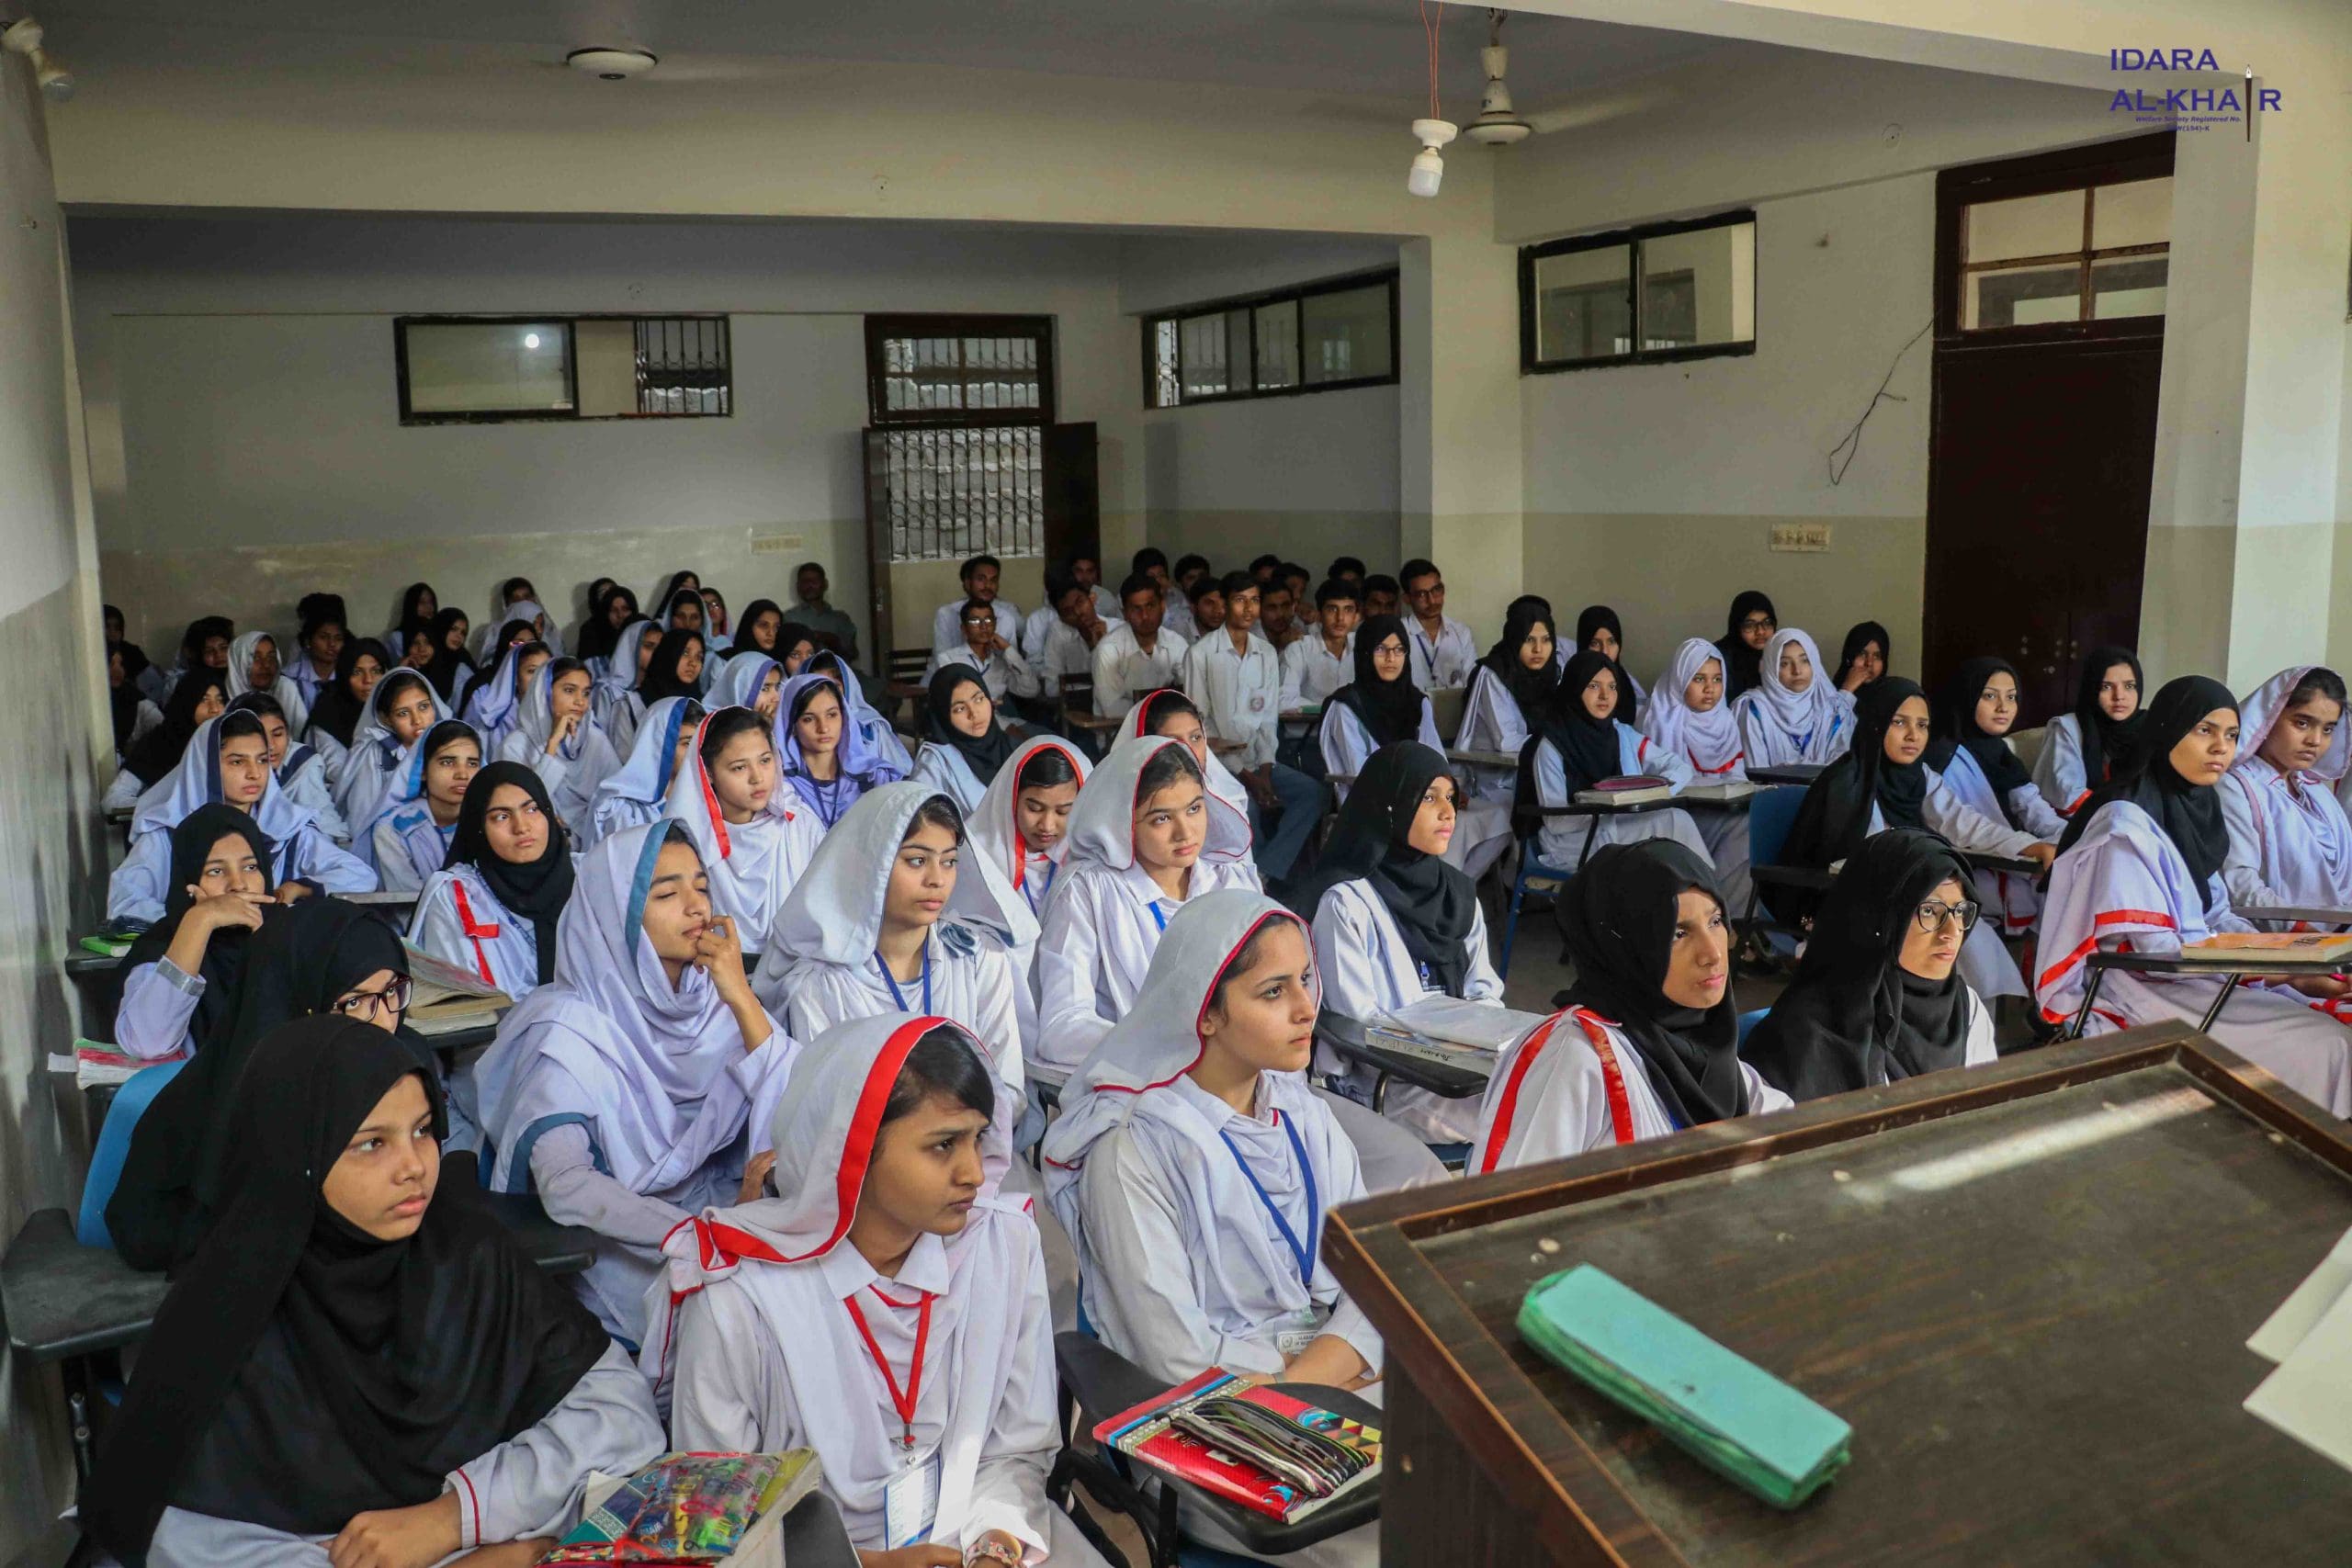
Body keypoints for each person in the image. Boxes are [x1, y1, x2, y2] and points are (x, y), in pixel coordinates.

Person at [83, 1020, 662, 1568]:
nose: (413, 1166)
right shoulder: (228, 1313)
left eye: (422, 1131)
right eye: (370, 1144)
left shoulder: (468, 1256)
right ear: (297, 1155)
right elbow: (173, 1536)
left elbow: (623, 1418)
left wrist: (451, 1520)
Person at [651, 1015, 1099, 1564]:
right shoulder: (739, 1298)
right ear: (855, 1151)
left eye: (978, 1138)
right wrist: (866, 1563)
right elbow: (718, 1521)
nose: (974, 1174)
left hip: (974, 1531)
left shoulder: (1004, 1245)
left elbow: (1015, 1450)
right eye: (942, 1145)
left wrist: (995, 1545)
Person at [1041, 893, 1384, 1566]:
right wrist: (1319, 1382)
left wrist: (1317, 1379)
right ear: (1207, 1011)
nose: (1307, 1007)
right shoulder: (1134, 1151)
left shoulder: (1304, 1114)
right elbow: (1174, 1359)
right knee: (1418, 1521)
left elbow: (1375, 1280)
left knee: (1487, 1457)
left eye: (1306, 980)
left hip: (1327, 1380)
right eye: (1273, 990)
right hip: (1210, 1428)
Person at [474, 823, 799, 1342]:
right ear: (613, 919)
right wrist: (696, 1236)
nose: (696, 907)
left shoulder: (714, 1002)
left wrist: (741, 995)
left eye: (701, 886)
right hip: (626, 1240)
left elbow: (797, 1099)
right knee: (737, 1332)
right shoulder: (567, 1028)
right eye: (667, 893)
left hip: (729, 1212)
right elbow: (567, 1183)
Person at [2040, 676, 2352, 1113]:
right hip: (2143, 985)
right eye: (2204, 730)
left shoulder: (2197, 810)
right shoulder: (2124, 824)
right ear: (2168, 729)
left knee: (2330, 1020)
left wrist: (2288, 959)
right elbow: (2156, 949)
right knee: (2329, 1044)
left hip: (2202, 973)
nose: (2221, 748)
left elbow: (2219, 913)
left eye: (2232, 736)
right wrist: (2281, 972)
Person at [107, 897, 420, 1271]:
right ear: (300, 1003)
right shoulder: (253, 1097)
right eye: (354, 1002)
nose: (384, 1022)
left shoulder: (405, 1062)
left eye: (392, 992)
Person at [1473, 842, 1789, 1170]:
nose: (1713, 954)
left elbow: (1789, 1128)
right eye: (1678, 933)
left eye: (1716, 921)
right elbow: (1508, 1205)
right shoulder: (1574, 1058)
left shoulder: (1704, 1043)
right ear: (1624, 947)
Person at [1773, 679, 2052, 1002]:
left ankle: (1968, 1030)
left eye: (1922, 725)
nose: (1913, 736)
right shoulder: (1848, 782)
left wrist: (2027, 845)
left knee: (1960, 930)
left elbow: (1964, 824)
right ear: (1876, 724)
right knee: (1944, 927)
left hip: (1909, 896)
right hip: (1843, 899)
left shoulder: (1919, 777)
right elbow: (1859, 857)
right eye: (1899, 722)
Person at [752, 785, 1025, 1096]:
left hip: (976, 1140)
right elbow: (823, 1108)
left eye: (949, 862)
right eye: (917, 861)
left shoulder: (977, 958)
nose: (937, 879)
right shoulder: (823, 985)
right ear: (872, 867)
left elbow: (1008, 1088)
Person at [1299, 743, 1504, 1145]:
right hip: (1391, 1085)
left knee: (1546, 1091)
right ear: (1390, 805)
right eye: (1429, 798)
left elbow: (1485, 990)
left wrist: (1474, 1045)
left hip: (1463, 1072)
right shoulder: (1345, 902)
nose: (1448, 812)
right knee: (1524, 1119)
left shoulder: (1459, 895)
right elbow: (1356, 1020)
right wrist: (1441, 1053)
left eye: (1450, 798)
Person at [1033, 736, 1257, 1078]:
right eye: (1161, 819)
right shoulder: (1089, 890)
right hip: (1142, 1082)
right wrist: (1171, 1048)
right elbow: (1062, 1027)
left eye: (1194, 809)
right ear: (1124, 824)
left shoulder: (1229, 881)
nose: (1185, 833)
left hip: (1236, 1068)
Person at [1743, 829, 1998, 1100]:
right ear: (1879, 917)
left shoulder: (1964, 1007)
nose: (1952, 931)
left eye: (1960, 911)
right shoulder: (1811, 1033)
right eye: (1928, 911)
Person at [109, 714, 376, 922]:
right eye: (237, 762)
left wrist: (300, 888)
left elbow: (360, 876)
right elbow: (125, 904)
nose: (254, 773)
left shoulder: (285, 827)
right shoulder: (168, 833)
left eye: (261, 760)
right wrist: (204, 916)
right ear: (206, 766)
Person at [1184, 571, 1326, 885]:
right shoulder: (1201, 654)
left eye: (1254, 601)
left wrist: (1263, 769)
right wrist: (1246, 776)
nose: (1248, 609)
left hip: (1260, 762)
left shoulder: (1265, 653)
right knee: (1247, 809)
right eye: (1239, 601)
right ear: (1224, 604)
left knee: (1313, 795)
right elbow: (1200, 724)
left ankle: (1263, 871)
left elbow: (1267, 719)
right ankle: (1248, 882)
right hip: (1219, 765)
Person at [1520, 649, 1713, 876]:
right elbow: (1555, 822)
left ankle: (1697, 899)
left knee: (1674, 823)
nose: (1605, 695)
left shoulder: (1620, 733)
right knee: (1672, 823)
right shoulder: (1551, 744)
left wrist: (1652, 793)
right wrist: (1605, 809)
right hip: (1571, 843)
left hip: (1620, 827)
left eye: (1612, 687)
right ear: (1575, 688)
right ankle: (1708, 898)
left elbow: (1679, 768)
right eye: (1593, 686)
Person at [955, 737, 1090, 1059]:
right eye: (1034, 807)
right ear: (1011, 798)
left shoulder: (1089, 863)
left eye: (1063, 811)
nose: (1047, 825)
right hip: (1003, 1017)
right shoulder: (976, 860)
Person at [662, 705, 825, 966]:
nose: (757, 777)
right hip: (710, 971)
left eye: (765, 760)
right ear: (710, 773)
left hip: (798, 967)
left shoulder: (800, 825)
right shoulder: (686, 840)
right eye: (739, 768)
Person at [112, 806, 274, 1063]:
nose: (238, 884)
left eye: (251, 867)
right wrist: (199, 921)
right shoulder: (161, 946)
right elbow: (147, 1042)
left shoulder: (289, 934)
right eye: (216, 871)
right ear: (188, 881)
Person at [1926, 657, 2068, 940]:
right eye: (1990, 696)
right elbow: (1966, 827)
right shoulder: (1944, 757)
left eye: (2011, 697)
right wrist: (2032, 846)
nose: (2004, 708)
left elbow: (2033, 809)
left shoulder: (2001, 753)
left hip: (2011, 858)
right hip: (1969, 869)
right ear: (1967, 697)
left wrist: (2077, 837)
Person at [409, 761, 575, 1002]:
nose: (522, 827)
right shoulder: (457, 895)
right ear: (479, 828)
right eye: (501, 816)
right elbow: (461, 1004)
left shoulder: (587, 876)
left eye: (531, 809)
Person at [1639, 637, 1756, 913]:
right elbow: (1652, 781)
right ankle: (1712, 912)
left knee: (1752, 827)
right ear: (1680, 680)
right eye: (1699, 679)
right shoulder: (1659, 718)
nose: (1710, 689)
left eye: (1717, 680)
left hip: (1717, 812)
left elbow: (1736, 773)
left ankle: (1728, 918)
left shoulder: (1724, 720)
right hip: (1676, 814)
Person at [2222, 666, 2352, 910]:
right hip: (2272, 939)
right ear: (2269, 717)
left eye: (2327, 729)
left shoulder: (2317, 792)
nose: (2315, 740)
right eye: (2302, 723)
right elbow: (2240, 884)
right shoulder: (2235, 787)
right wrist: (2305, 928)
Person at [499, 655, 622, 835]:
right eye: (569, 690)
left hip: (592, 840)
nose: (580, 701)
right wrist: (552, 744)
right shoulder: (515, 745)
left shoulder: (594, 739)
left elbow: (616, 796)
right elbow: (524, 805)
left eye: (586, 693)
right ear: (545, 693)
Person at [1453, 597, 1558, 805]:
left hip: (1537, 768)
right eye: (1529, 640)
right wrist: (1560, 742)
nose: (1538, 649)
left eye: (1546, 640)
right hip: (1496, 780)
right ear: (1514, 638)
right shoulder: (1494, 674)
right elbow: (1506, 742)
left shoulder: (1552, 672)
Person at [361, 719, 483, 895]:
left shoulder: (489, 824)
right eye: (447, 762)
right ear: (423, 770)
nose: (463, 774)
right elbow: (410, 903)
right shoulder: (393, 829)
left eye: (472, 763)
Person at [329, 668, 448, 835]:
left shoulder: (450, 745)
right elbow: (361, 819)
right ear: (386, 719)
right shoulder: (376, 754)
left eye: (424, 707)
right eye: (403, 713)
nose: (417, 720)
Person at [776, 670, 900, 829]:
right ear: (791, 726)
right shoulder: (781, 785)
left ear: (845, 717)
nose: (823, 728)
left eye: (832, 715)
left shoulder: (875, 776)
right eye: (809, 719)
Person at [228, 690, 352, 846]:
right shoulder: (227, 771)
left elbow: (324, 818)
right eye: (260, 736)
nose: (271, 746)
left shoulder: (300, 762)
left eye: (278, 734)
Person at [2035, 646, 2146, 816]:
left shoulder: (2149, 726)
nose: (2119, 696)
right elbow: (2066, 794)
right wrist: (2121, 814)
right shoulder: (2069, 727)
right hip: (2084, 824)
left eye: (2129, 686)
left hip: (2141, 823)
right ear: (2091, 688)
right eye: (2106, 687)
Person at [104, 668, 228, 812]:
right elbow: (112, 800)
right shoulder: (158, 744)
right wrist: (166, 806)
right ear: (186, 704)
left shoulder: (232, 744)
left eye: (220, 700)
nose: (214, 709)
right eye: (204, 700)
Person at [587, 694, 702, 846]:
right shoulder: (623, 810)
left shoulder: (705, 801)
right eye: (687, 743)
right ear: (658, 744)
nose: (697, 752)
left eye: (701, 742)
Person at [1731, 627, 1854, 768]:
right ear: (1771, 669)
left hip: (1828, 790)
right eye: (1784, 663)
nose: (1797, 670)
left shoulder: (1835, 708)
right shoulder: (1754, 709)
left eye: (1805, 660)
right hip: (1770, 790)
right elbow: (1756, 773)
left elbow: (1843, 768)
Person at [911, 664, 1017, 815]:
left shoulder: (1012, 747)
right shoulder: (935, 763)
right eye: (960, 709)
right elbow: (923, 821)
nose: (974, 713)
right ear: (944, 716)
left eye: (979, 699)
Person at [1091, 572, 1189, 720]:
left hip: (1167, 728)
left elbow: (1191, 692)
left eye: (1150, 606)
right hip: (1119, 733)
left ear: (1162, 606)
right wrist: (1163, 715)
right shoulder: (1109, 649)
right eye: (1136, 609)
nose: (1145, 616)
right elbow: (1113, 709)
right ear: (1125, 614)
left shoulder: (1176, 642)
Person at [808, 649, 918, 774]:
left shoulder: (870, 726)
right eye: (818, 686)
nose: (826, 694)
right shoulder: (799, 726)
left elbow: (894, 771)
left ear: (848, 686)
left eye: (835, 685)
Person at [298, 636, 387, 788]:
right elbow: (340, 773)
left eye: (376, 671)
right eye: (357, 672)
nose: (368, 680)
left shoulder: (392, 708)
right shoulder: (328, 714)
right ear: (345, 675)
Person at [926, 595, 1043, 708]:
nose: (983, 626)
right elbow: (954, 700)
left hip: (1002, 720)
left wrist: (1009, 649)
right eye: (975, 621)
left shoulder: (1001, 662)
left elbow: (1031, 690)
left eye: (988, 620)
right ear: (964, 628)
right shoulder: (948, 659)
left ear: (995, 624)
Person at [1021, 570, 1107, 701]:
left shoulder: (1117, 629)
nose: (1078, 613)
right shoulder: (1058, 631)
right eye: (1068, 611)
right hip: (1076, 706)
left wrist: (1102, 647)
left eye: (1080, 602)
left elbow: (1126, 685)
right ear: (1061, 618)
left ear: (1092, 598)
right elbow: (1052, 688)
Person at [1280, 578, 1360, 710]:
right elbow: (1284, 700)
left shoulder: (1363, 647)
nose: (1340, 618)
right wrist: (1331, 712)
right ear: (1319, 615)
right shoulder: (1300, 649)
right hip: (1309, 729)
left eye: (1348, 610)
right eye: (1332, 609)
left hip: (1350, 729)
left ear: (1356, 617)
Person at [462, 637, 552, 754]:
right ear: (514, 677)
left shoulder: (559, 713)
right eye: (532, 671)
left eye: (546, 671)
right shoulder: (491, 714)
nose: (540, 677)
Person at [1397, 558, 1476, 689]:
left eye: (1436, 590)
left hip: (1455, 708)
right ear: (1407, 599)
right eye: (1422, 594)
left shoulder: (1461, 633)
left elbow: (1472, 683)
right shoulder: (1397, 633)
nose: (1432, 600)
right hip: (1412, 708)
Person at [594, 617, 664, 753]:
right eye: (649, 646)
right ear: (631, 646)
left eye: (661, 647)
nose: (656, 653)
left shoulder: (658, 689)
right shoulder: (606, 691)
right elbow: (600, 741)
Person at [931, 553, 1023, 656]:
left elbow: (1012, 664)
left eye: (993, 580)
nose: (988, 585)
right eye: (981, 579)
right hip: (954, 671)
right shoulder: (946, 614)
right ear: (967, 583)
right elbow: (942, 660)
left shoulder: (1006, 617)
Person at [224, 628, 311, 736]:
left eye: (271, 657)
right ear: (238, 662)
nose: (266, 665)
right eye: (256, 658)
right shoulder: (218, 703)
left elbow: (302, 736)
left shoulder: (284, 688)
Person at [1575, 605, 1646, 719]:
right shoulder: (1571, 687)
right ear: (1584, 645)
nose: (1605, 651)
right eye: (1595, 643)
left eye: (1611, 642)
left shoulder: (1625, 685)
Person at [286, 593, 347, 711]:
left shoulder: (349, 676)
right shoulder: (289, 679)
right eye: (324, 637)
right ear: (308, 641)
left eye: (338, 638)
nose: (332, 644)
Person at [791, 560, 862, 663]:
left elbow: (852, 655)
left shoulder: (841, 619)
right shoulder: (790, 618)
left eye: (814, 581)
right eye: (805, 582)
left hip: (837, 673)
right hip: (804, 674)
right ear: (798, 586)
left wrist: (833, 641)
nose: (810, 586)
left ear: (825, 584)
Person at [1713, 590, 1777, 701]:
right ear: (1736, 627)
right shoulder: (1717, 658)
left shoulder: (1779, 654)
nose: (1760, 631)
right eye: (1750, 625)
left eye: (1767, 623)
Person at [160, 615, 232, 700]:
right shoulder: (182, 683)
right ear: (196, 655)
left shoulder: (237, 675)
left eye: (224, 648)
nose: (218, 655)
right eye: (209, 651)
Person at [574, 581, 640, 674]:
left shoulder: (644, 630)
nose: (620, 615)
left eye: (625, 609)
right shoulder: (592, 632)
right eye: (613, 610)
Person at [418, 606, 474, 704]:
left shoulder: (463, 664)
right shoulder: (425, 655)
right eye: (453, 629)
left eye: (463, 633)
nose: (459, 636)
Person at [1833, 620, 1891, 694]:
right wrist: (1847, 690)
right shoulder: (1827, 695)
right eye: (1862, 654)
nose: (1869, 663)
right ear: (1849, 658)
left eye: (1877, 656)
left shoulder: (1892, 697)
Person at [725, 597, 785, 663]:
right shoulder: (726, 661)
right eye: (764, 625)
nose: (771, 633)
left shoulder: (785, 662)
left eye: (777, 627)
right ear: (749, 626)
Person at [1070, 549, 1120, 621]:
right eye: (1079, 571)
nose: (1085, 577)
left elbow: (1119, 625)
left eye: (1090, 571)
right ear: (1072, 573)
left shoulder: (1106, 597)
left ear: (1096, 573)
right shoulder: (1063, 598)